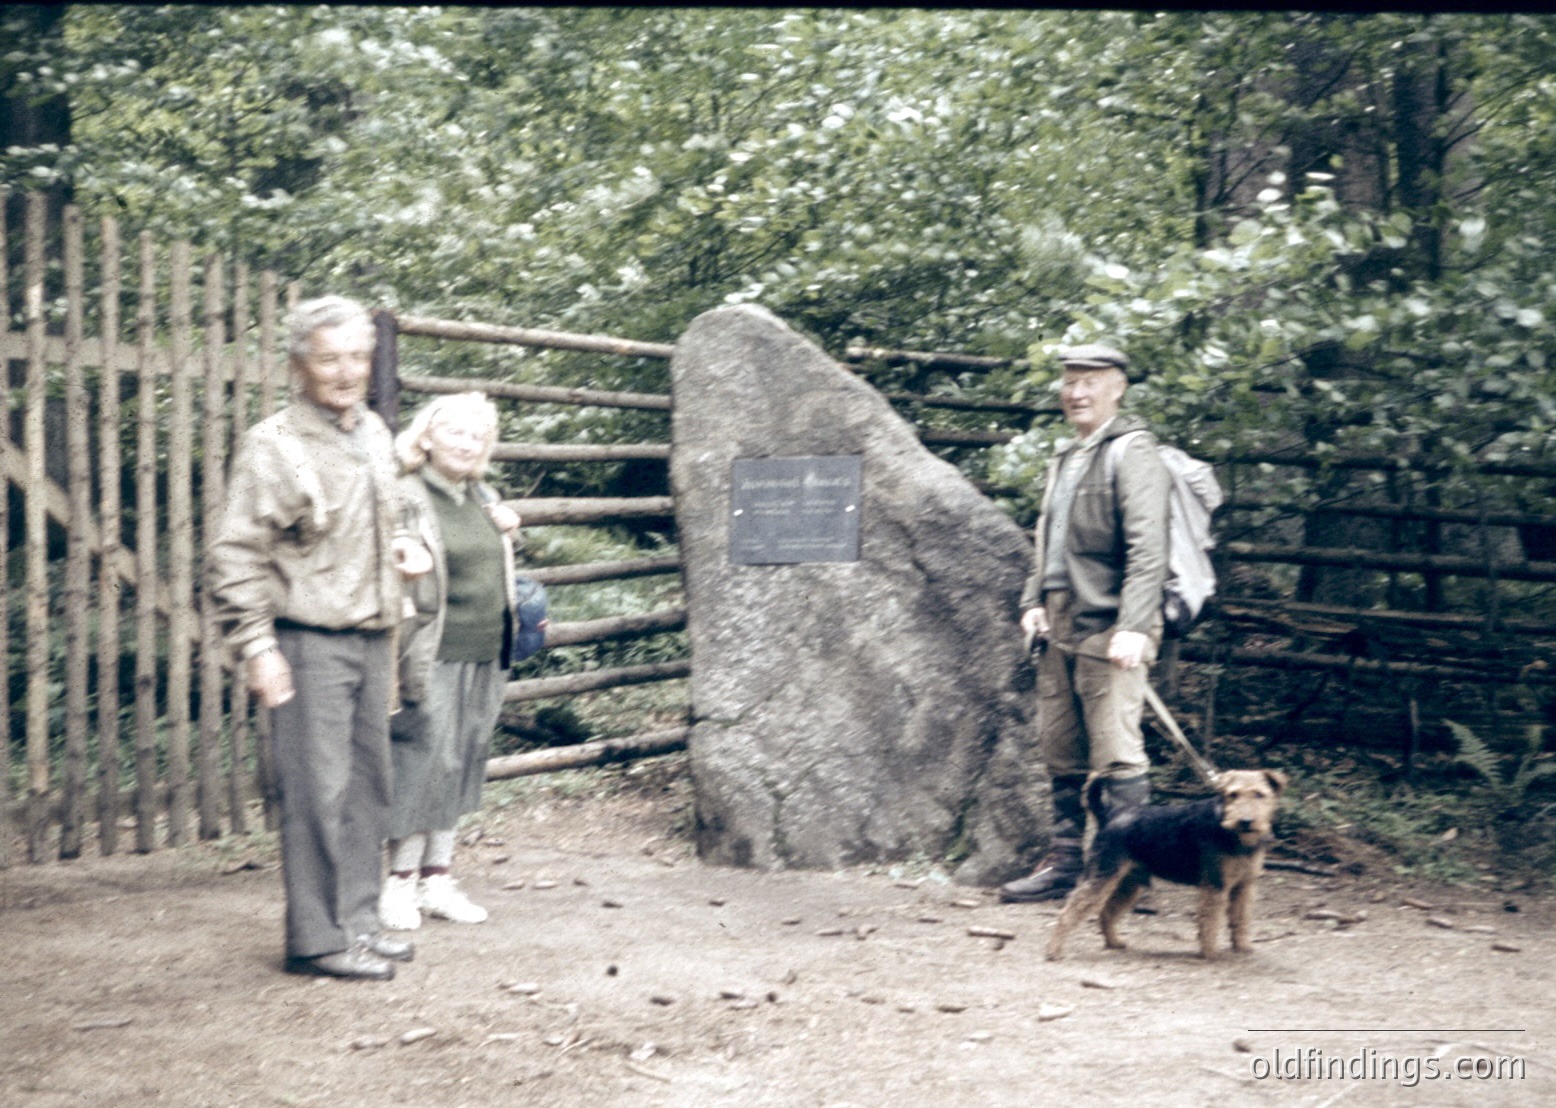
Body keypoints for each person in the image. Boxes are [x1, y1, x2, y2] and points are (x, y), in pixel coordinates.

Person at [207, 295, 433, 979]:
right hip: (305, 642)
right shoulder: (271, 444)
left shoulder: (370, 432)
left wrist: (402, 549)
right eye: (329, 358)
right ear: (298, 364)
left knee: (367, 787)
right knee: (317, 793)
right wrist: (257, 646)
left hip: (371, 638)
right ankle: (316, 939)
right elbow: (237, 553)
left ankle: (359, 924)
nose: (346, 371)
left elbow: (373, 521)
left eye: (358, 357)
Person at [1000, 342, 1171, 904]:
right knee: (1062, 749)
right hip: (1059, 625)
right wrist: (1034, 599)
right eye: (1069, 381)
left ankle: (1130, 876)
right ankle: (1067, 864)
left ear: (1117, 387)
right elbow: (1046, 541)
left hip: (1112, 625)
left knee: (1117, 752)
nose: (1075, 392)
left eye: (1089, 381)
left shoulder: (1133, 451)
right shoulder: (1067, 456)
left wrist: (1135, 624)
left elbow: (1150, 548)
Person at [377, 391, 533, 931]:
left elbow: (488, 564)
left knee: (463, 760)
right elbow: (383, 557)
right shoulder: (405, 494)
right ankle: (397, 886)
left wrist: (512, 530)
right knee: (425, 762)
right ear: (426, 437)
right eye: (456, 433)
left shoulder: (482, 495)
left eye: (477, 436)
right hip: (430, 650)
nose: (467, 444)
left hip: (487, 649)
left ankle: (436, 880)